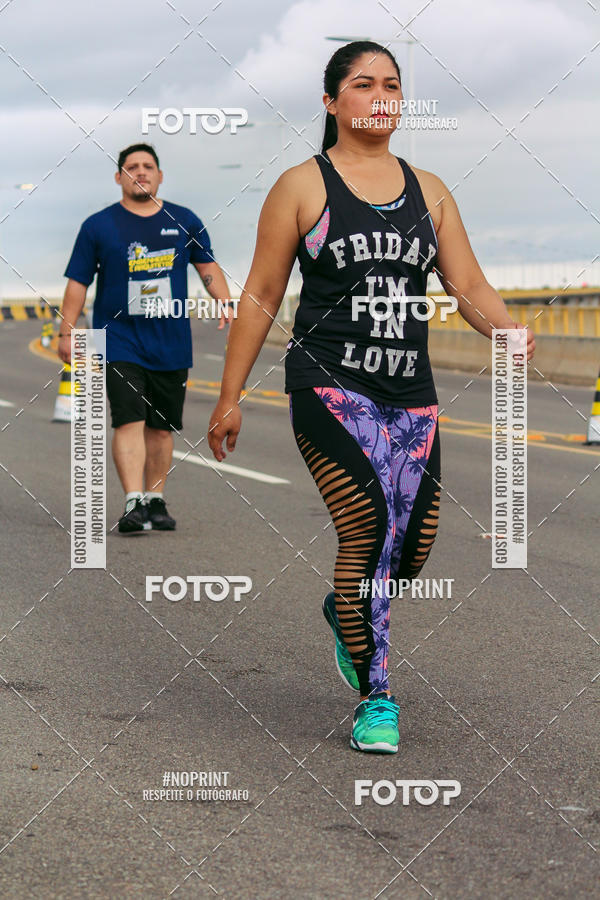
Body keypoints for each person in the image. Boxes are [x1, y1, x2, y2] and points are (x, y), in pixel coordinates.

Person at [207, 42, 535, 753]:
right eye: (363, 84)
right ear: (332, 102)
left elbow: (467, 287)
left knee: (412, 549)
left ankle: (343, 611)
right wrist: (229, 395)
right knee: (368, 531)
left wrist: (507, 329)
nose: (380, 96)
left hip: (411, 396)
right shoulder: (303, 186)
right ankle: (376, 697)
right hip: (328, 386)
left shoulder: (432, 189)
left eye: (392, 85)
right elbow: (262, 295)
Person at [60, 142, 232, 533]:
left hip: (170, 342)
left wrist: (223, 300)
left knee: (160, 427)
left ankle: (155, 498)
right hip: (118, 339)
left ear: (160, 175)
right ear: (119, 177)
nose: (141, 172)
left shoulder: (184, 220)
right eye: (132, 167)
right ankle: (133, 501)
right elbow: (77, 284)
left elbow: (207, 266)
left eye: (148, 166)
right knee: (129, 419)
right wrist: (66, 331)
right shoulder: (98, 226)